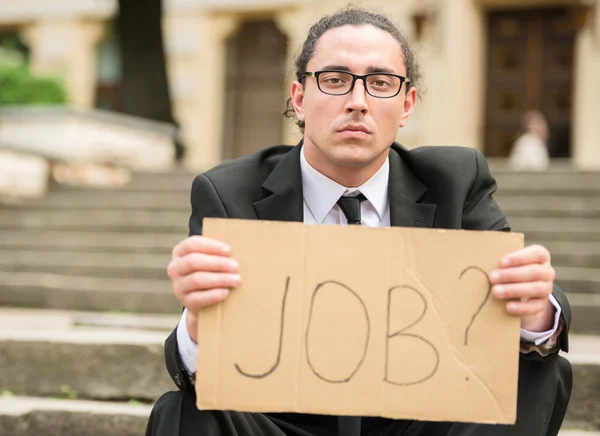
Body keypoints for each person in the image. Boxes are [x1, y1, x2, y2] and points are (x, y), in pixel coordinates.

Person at [146, 7, 572, 436]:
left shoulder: (457, 181)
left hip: (421, 419)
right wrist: (200, 321)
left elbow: (531, 321)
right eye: (334, 80)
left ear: (406, 105)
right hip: (280, 422)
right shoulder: (228, 193)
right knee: (180, 410)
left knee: (539, 371)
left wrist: (533, 309)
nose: (357, 101)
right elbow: (190, 371)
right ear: (299, 99)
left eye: (381, 83)